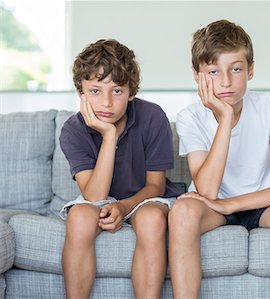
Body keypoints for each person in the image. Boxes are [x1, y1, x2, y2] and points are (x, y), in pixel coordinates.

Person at [169, 19, 270, 299]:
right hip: (211, 205)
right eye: (213, 71)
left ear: (250, 70)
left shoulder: (268, 106)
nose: (225, 82)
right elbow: (207, 191)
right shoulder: (190, 117)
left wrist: (233, 203)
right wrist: (224, 118)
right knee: (183, 211)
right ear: (197, 75)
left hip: (264, 205)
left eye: (235, 69)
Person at [59, 39, 182, 299]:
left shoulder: (152, 117)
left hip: (145, 198)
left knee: (151, 219)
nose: (106, 102)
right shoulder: (72, 130)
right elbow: (94, 197)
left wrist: (124, 207)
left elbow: (156, 186)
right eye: (94, 91)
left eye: (117, 91)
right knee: (80, 217)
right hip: (100, 196)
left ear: (131, 92)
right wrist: (109, 135)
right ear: (80, 93)